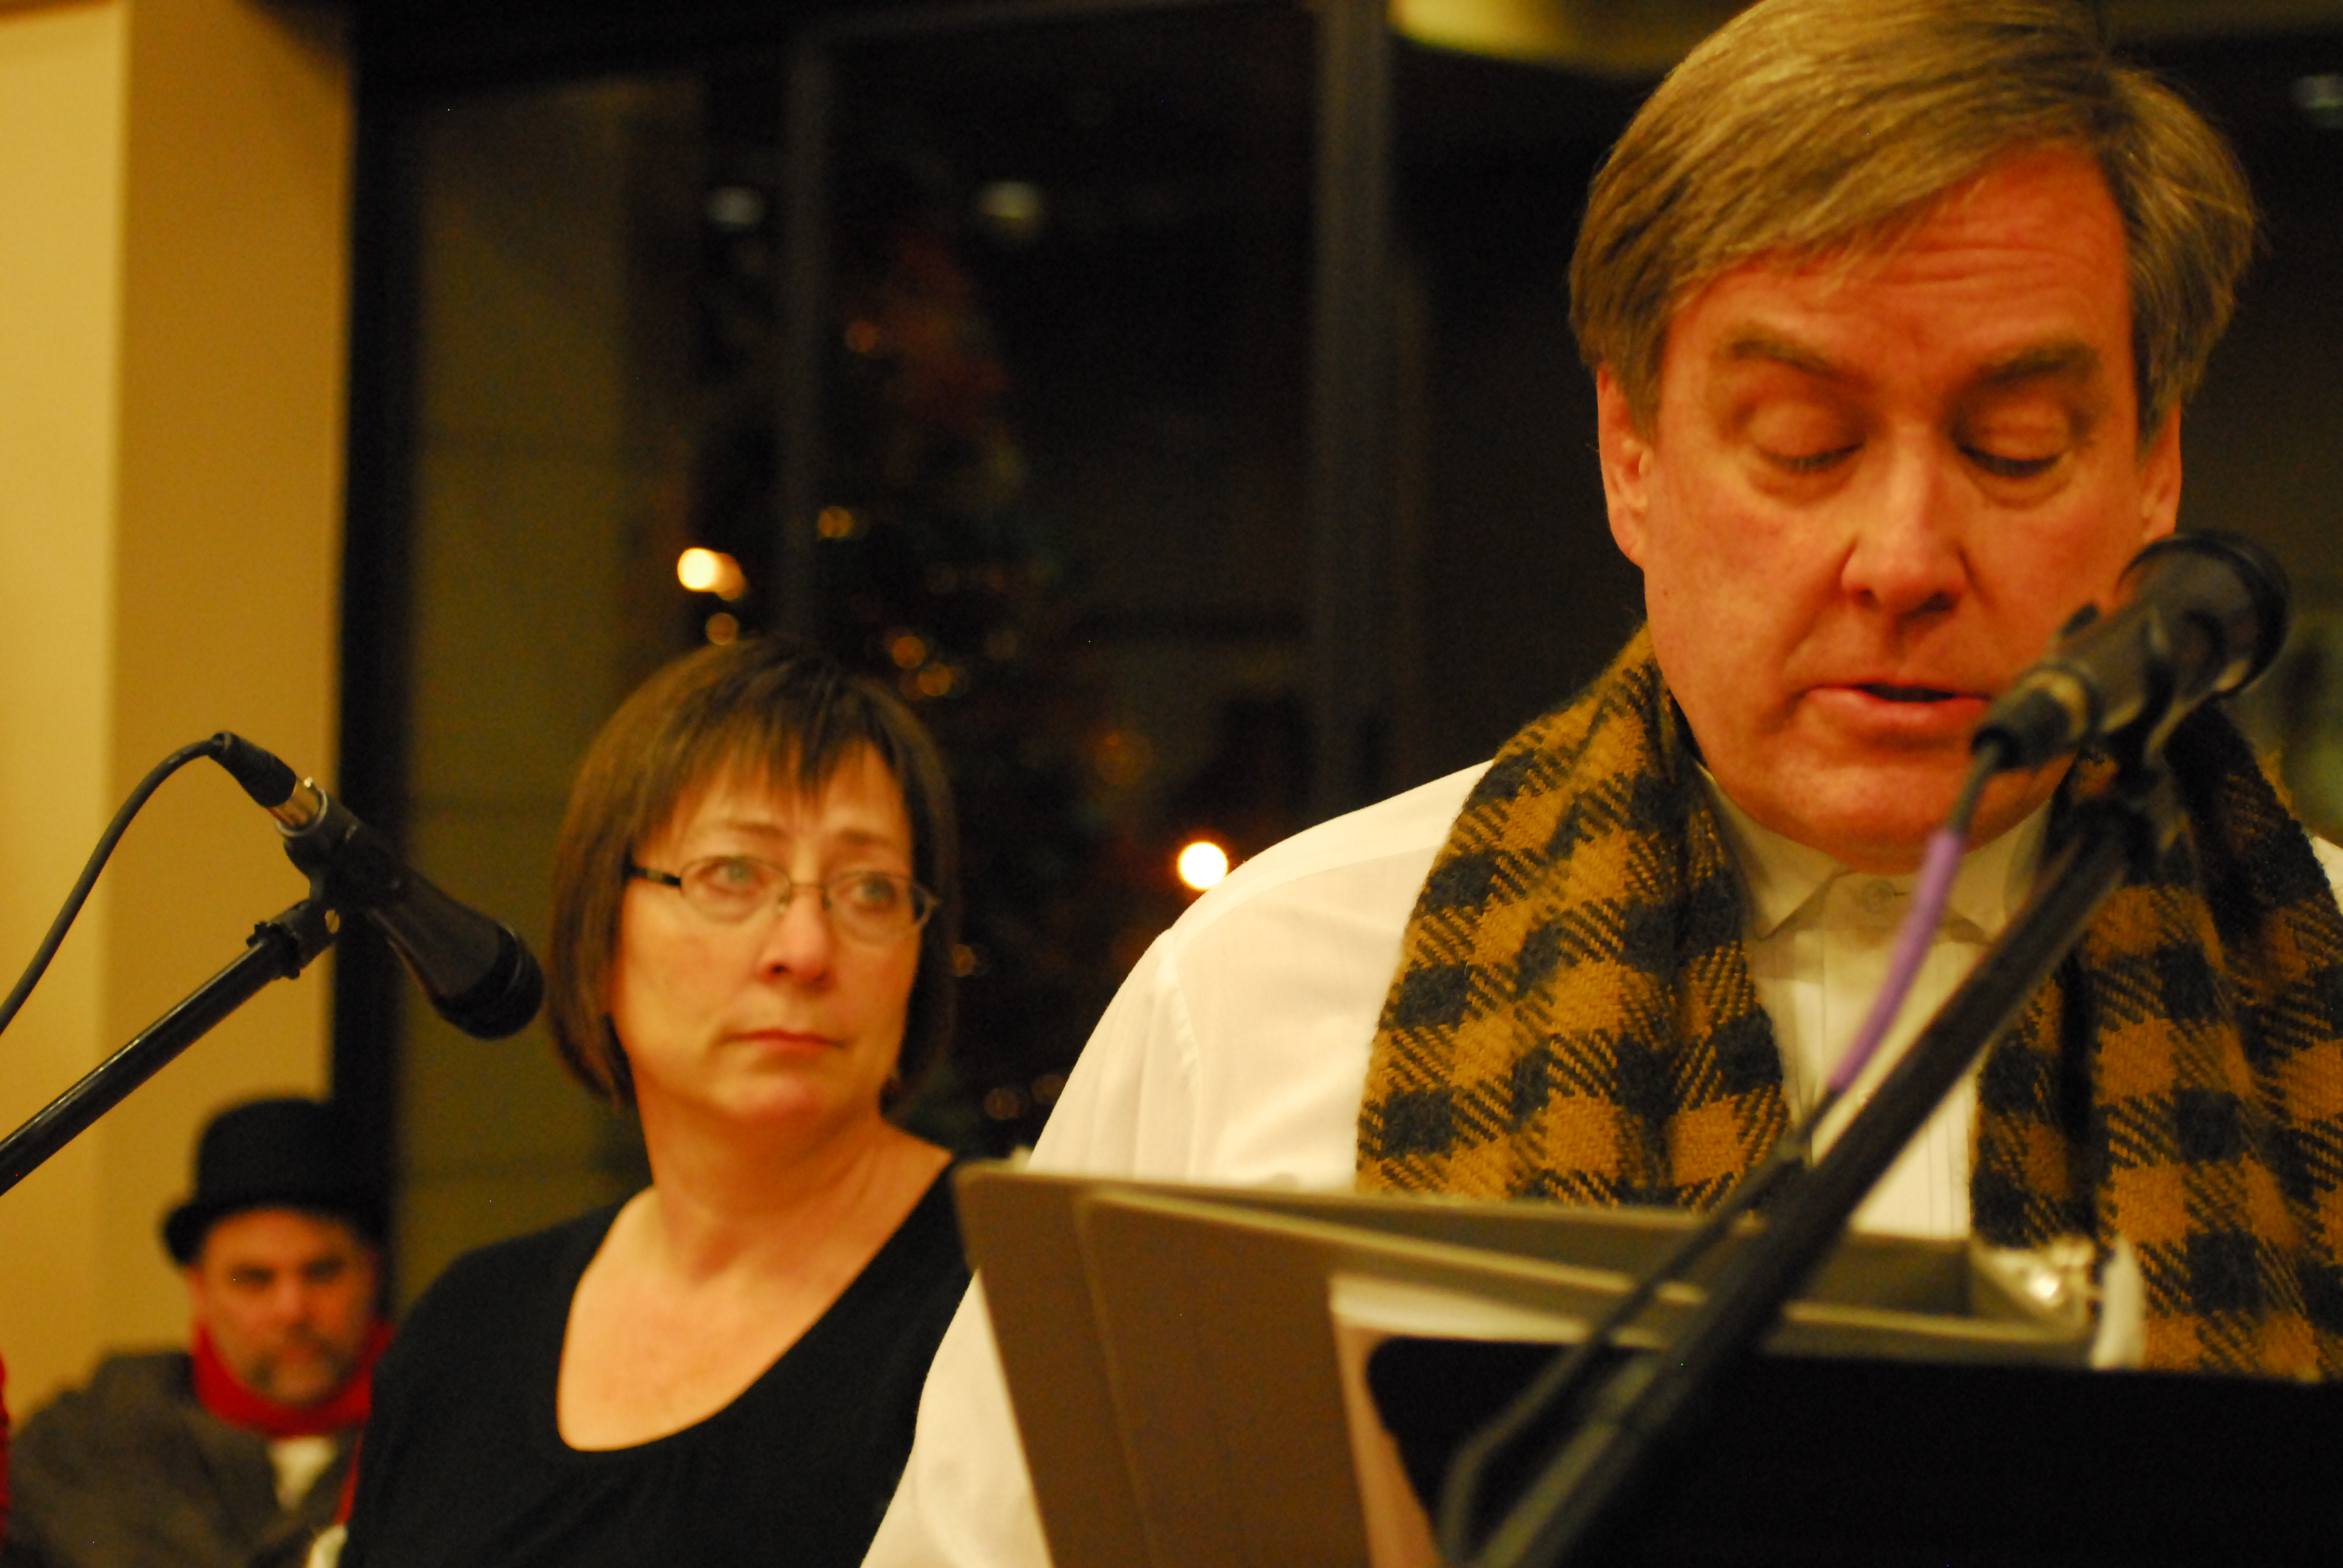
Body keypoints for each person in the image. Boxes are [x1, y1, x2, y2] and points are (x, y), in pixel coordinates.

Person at [862, 1, 2343, 1561]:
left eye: (2019, 445)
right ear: (1630, 451)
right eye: (1803, 442)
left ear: (2155, 468)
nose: (1905, 558)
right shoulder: (1258, 994)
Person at [336, 638, 969, 1567]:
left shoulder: (1006, 1309)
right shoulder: (468, 1329)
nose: (804, 948)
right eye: (735, 874)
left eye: (871, 889)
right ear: (601, 936)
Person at [4, 1097, 390, 1568]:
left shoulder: (442, 1442)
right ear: (200, 1288)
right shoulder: (83, 1445)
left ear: (371, 1273)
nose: (292, 1310)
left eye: (323, 1272)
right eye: (253, 1279)